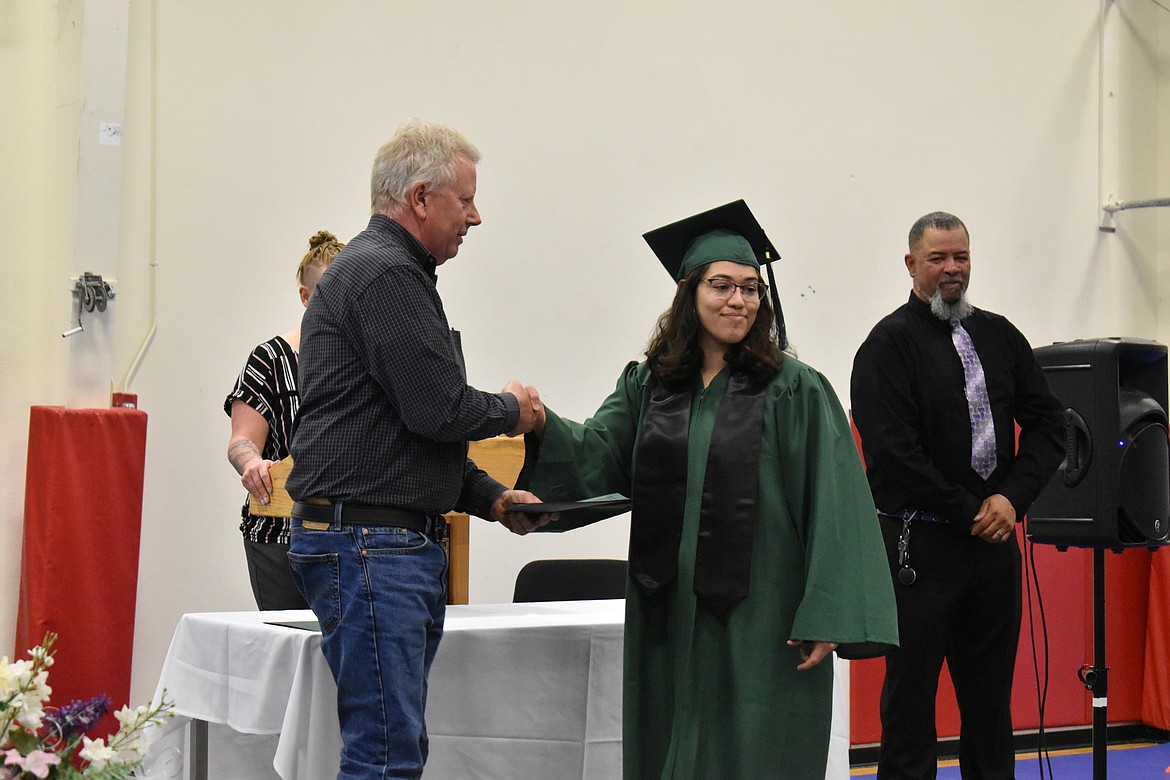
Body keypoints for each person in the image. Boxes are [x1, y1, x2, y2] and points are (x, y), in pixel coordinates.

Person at [516, 201, 899, 779]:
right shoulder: (651, 384)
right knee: (670, 741)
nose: (737, 300)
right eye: (721, 285)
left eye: (749, 288)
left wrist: (826, 613)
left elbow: (836, 504)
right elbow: (601, 452)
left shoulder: (795, 390)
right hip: (667, 610)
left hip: (763, 616)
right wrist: (543, 424)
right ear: (690, 294)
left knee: (755, 749)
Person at [284, 119, 546, 780]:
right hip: (372, 545)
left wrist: (490, 498)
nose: (476, 216)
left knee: (392, 747)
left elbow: (396, 438)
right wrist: (515, 409)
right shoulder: (386, 276)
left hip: (377, 541)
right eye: (466, 200)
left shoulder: (385, 273)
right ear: (422, 197)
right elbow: (439, 410)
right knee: (385, 753)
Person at [850, 211, 1064, 780]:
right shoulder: (887, 344)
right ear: (911, 264)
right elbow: (893, 451)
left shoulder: (1000, 334)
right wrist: (971, 509)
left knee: (991, 705)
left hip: (993, 548)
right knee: (910, 702)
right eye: (938, 258)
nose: (952, 269)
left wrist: (1012, 499)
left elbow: (1050, 426)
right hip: (917, 547)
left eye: (961, 256)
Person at [224, 229, 344, 610]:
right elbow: (242, 441)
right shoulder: (270, 359)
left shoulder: (363, 361)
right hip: (281, 537)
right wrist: (253, 464)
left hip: (350, 539)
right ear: (306, 298)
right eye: (328, 294)